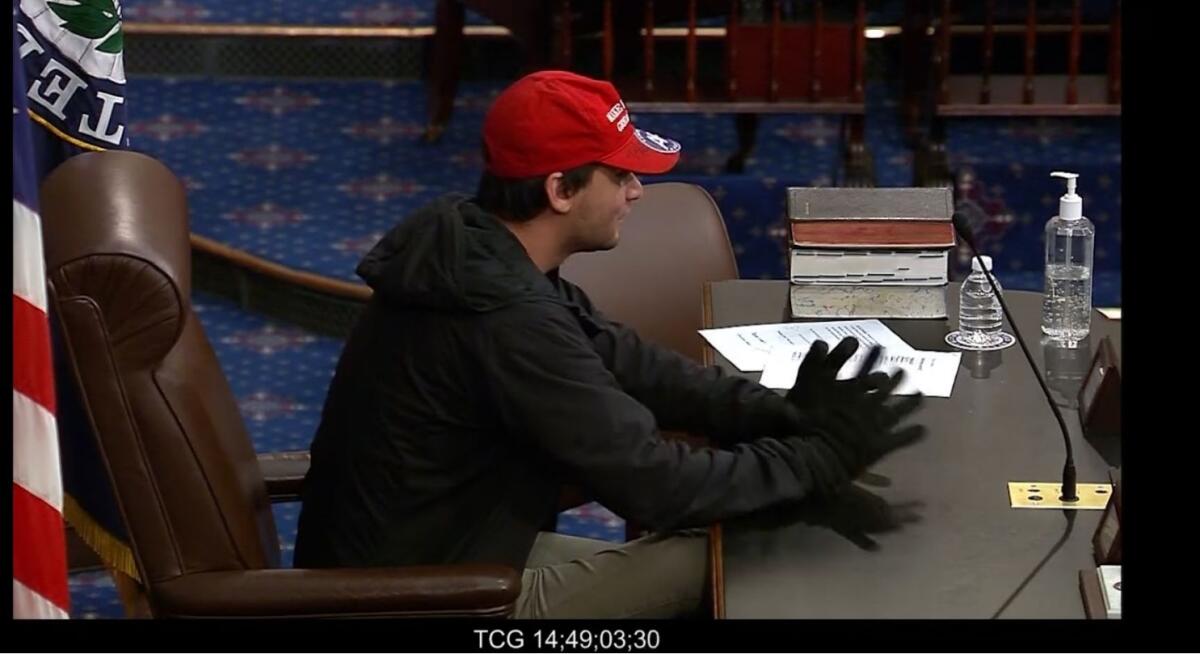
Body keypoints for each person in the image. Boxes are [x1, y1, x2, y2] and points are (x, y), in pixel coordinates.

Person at [294, 70, 925, 619]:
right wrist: (813, 464)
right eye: (620, 174)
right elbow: (657, 486)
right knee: (741, 557)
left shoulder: (484, 252)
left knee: (751, 532)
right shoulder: (503, 317)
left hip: (456, 550)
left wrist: (788, 411)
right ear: (560, 191)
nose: (636, 192)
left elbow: (634, 365)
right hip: (423, 603)